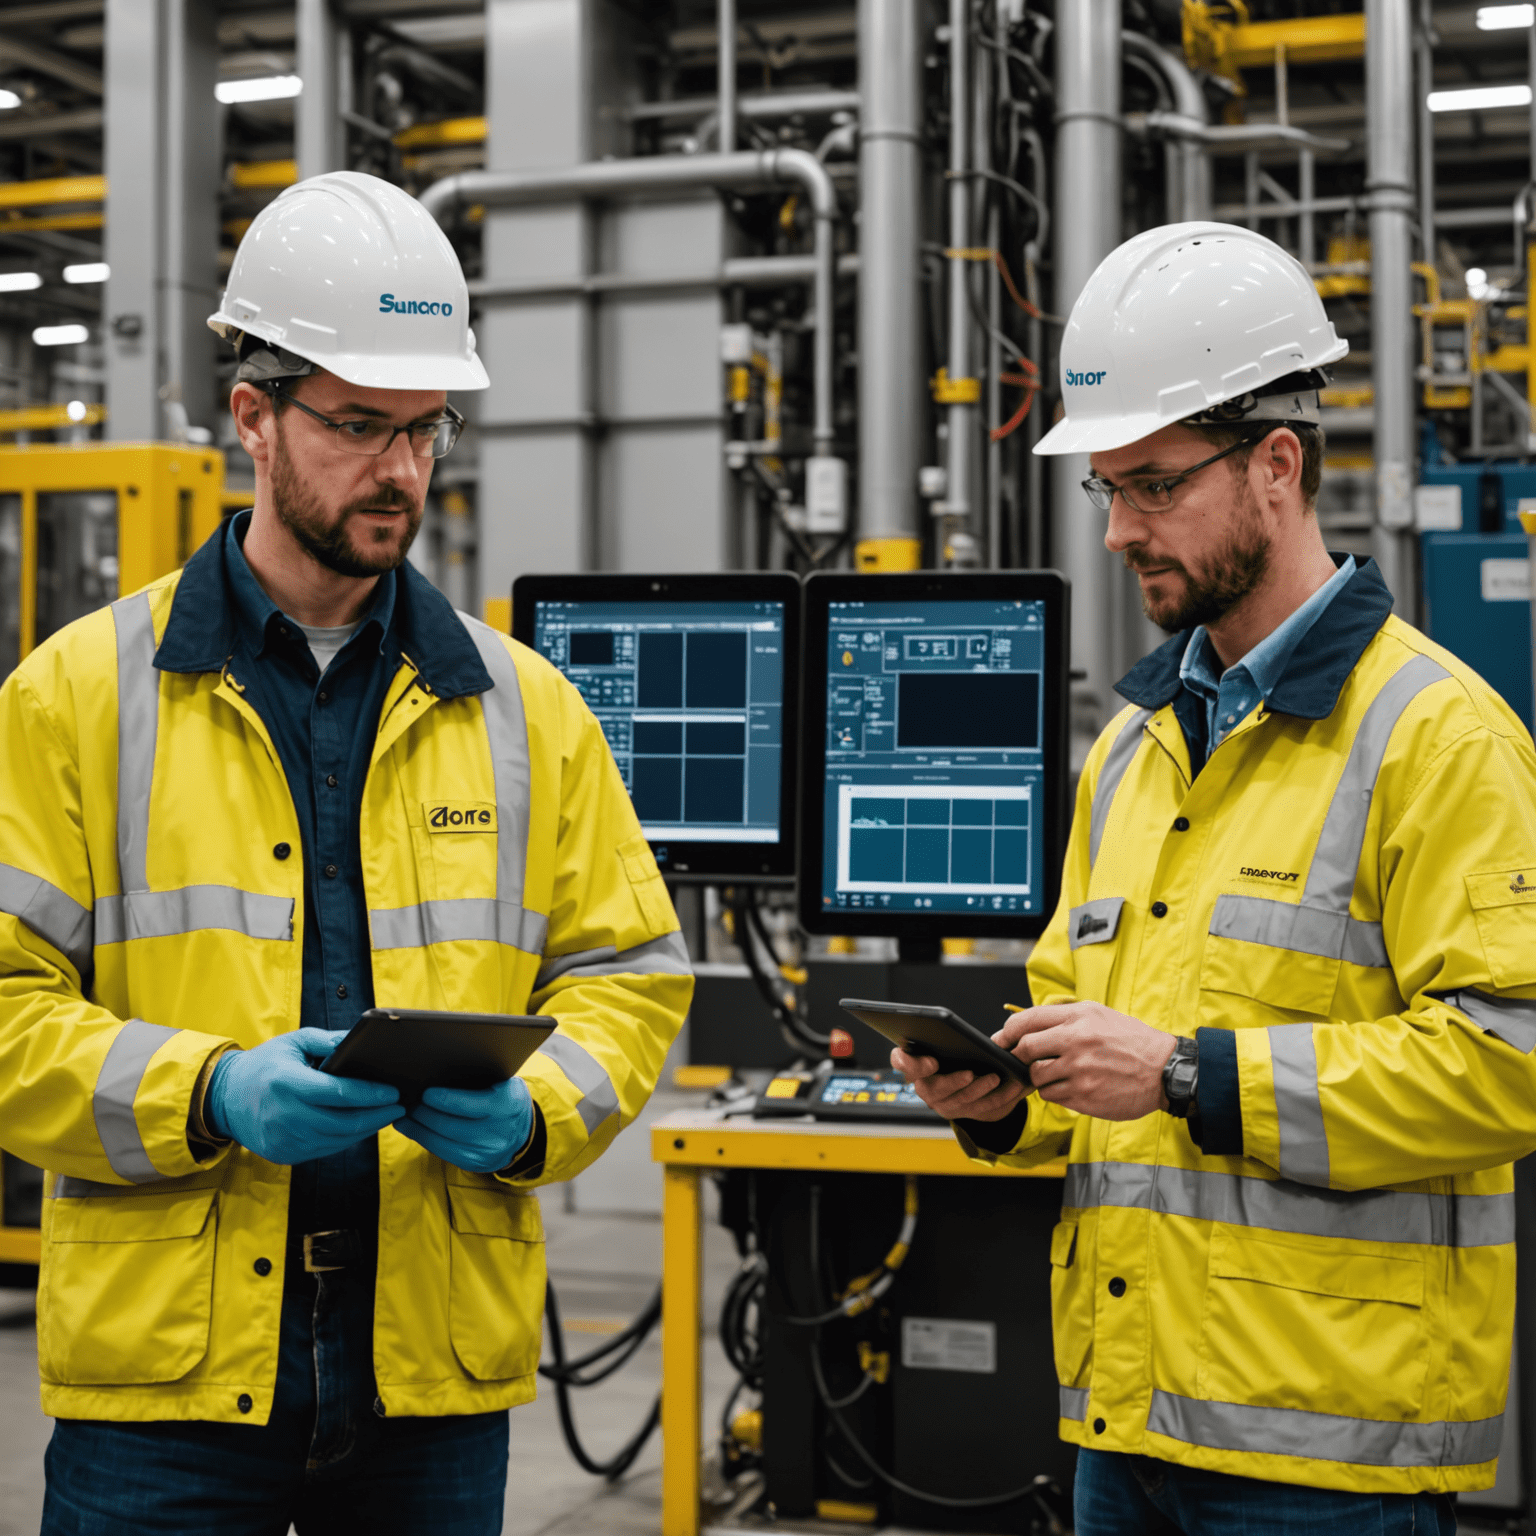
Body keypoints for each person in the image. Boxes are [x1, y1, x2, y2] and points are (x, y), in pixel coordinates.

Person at [0, 171, 692, 1535]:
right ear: (253, 416)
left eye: (427, 428)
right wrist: (206, 1093)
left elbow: (631, 972)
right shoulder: (76, 697)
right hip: (169, 1396)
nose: (403, 469)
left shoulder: (523, 708)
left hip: (430, 1379)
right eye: (361, 426)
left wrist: (539, 1112)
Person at [894, 222, 1536, 1534]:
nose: (1122, 529)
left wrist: (1191, 1072)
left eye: (1155, 485)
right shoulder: (1132, 751)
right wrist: (1006, 1099)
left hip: (1330, 1465)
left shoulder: (1438, 737)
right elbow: (1093, 1050)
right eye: (1107, 491)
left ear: (1277, 469)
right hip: (1126, 1425)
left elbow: (1512, 1058)